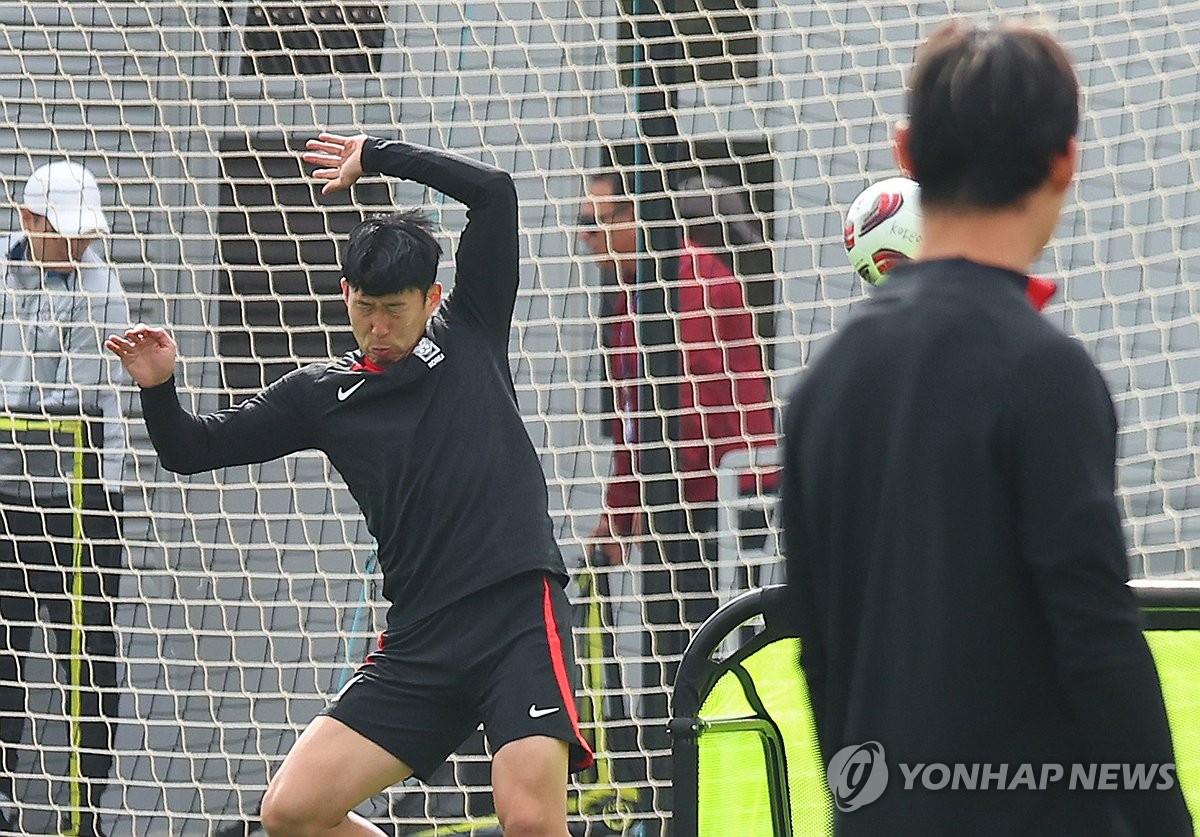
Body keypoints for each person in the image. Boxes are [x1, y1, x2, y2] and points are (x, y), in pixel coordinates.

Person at [106, 134, 593, 837]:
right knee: (291, 813)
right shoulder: (320, 395)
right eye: (364, 307)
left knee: (529, 821)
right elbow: (190, 449)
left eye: (395, 308)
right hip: (420, 639)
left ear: (433, 296)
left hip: (514, 614)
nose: (378, 326)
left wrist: (378, 154)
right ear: (345, 295)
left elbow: (495, 192)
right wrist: (158, 388)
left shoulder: (473, 327)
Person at [781, 20, 1193, 836]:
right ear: (1064, 162)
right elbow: (1098, 642)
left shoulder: (821, 391)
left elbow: (820, 654)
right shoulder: (1047, 374)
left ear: (906, 152)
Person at [578, 171, 776, 649]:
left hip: (729, 499)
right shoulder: (631, 295)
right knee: (673, 644)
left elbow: (696, 410)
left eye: (593, 222)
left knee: (715, 649)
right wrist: (619, 510)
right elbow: (636, 418)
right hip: (681, 496)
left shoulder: (696, 285)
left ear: (635, 218)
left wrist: (655, 497)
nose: (585, 239)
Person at [0, 160, 128, 837]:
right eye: (64, 233)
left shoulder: (102, 287)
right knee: (3, 645)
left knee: (90, 651)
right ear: (27, 221)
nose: (77, 248)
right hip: (4, 495)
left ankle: (87, 810)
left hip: (83, 495)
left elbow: (69, 417)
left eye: (85, 235)